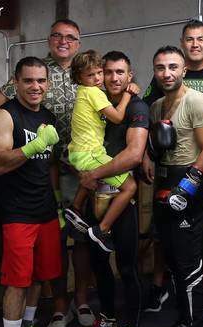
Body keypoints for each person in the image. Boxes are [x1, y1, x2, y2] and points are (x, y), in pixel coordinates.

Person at [0, 19, 96, 327]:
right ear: (49, 40)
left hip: (86, 170)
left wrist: (131, 87)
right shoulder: (34, 70)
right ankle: (59, 304)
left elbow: (115, 94)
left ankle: (81, 300)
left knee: (83, 239)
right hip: (47, 171)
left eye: (70, 37)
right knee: (55, 243)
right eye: (57, 35)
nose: (63, 41)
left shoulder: (88, 72)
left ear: (79, 42)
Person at [142, 45, 203, 327]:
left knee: (189, 268)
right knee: (172, 261)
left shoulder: (197, 101)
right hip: (163, 182)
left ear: (184, 70)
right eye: (161, 67)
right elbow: (158, 146)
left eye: (173, 67)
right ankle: (184, 324)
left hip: (189, 185)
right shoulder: (157, 106)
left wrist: (187, 188)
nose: (167, 73)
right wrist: (149, 156)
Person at [0, 56, 61, 327]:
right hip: (17, 212)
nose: (35, 86)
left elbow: (49, 165)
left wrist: (57, 202)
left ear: (48, 84)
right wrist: (34, 145)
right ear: (16, 83)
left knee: (38, 276)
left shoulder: (48, 116)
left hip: (45, 209)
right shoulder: (6, 115)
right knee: (17, 281)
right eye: (29, 80)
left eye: (41, 81)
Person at [76, 51, 148, 327]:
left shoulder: (136, 107)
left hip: (121, 199)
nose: (114, 77)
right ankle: (107, 320)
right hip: (96, 195)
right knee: (99, 263)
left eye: (120, 72)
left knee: (128, 267)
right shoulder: (98, 101)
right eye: (108, 72)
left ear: (129, 76)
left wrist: (93, 174)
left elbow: (133, 154)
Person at [63, 49, 138, 253]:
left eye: (99, 73)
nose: (97, 78)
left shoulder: (83, 92)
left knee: (92, 178)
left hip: (79, 152)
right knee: (130, 187)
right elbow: (117, 117)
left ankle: (75, 208)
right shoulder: (94, 93)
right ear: (79, 78)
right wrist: (127, 95)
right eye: (90, 75)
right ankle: (101, 230)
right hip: (90, 153)